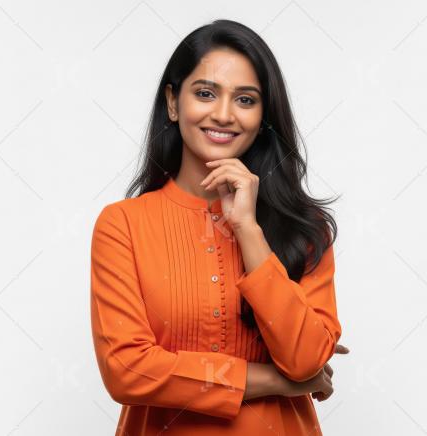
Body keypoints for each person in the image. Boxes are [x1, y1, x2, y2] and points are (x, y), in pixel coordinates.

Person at [90, 19, 348, 435]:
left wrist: (248, 228)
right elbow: (127, 369)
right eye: (206, 94)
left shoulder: (303, 226)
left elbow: (307, 359)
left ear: (264, 115)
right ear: (173, 103)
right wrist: (274, 381)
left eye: (245, 100)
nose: (224, 114)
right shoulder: (123, 225)